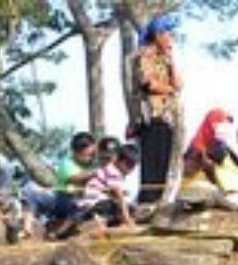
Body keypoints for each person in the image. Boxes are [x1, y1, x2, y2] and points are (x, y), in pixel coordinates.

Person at [129, 14, 183, 210]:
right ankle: (147, 201)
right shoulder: (144, 55)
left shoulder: (165, 58)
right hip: (150, 114)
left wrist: (171, 59)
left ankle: (158, 199)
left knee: (164, 160)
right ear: (158, 34)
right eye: (168, 33)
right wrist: (169, 89)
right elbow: (148, 83)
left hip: (167, 115)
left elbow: (179, 84)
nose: (171, 37)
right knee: (152, 159)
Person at [23, 131, 98, 232]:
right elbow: (73, 179)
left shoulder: (92, 162)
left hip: (85, 199)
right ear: (77, 152)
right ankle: (31, 227)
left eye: (91, 154)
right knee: (30, 190)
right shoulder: (66, 163)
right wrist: (93, 174)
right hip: (65, 200)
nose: (90, 157)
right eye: (87, 154)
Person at [70, 141, 139, 229]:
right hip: (92, 204)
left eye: (133, 166)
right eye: (129, 165)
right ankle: (96, 221)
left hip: (94, 202)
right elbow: (118, 195)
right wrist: (127, 218)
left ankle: (109, 221)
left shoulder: (111, 169)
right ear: (119, 160)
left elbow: (112, 191)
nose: (131, 170)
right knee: (116, 205)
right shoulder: (114, 172)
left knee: (128, 207)